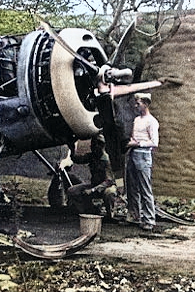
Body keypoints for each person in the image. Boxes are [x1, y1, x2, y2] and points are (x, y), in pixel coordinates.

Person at [125, 92, 158, 231]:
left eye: (138, 103)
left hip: (143, 156)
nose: (136, 105)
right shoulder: (137, 120)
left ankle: (149, 219)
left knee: (145, 188)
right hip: (132, 155)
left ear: (146, 104)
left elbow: (154, 142)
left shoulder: (152, 121)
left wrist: (137, 144)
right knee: (132, 188)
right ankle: (134, 216)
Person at [67, 134, 118, 219]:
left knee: (109, 193)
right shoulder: (92, 156)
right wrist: (72, 148)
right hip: (94, 184)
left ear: (102, 146)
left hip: (105, 187)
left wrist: (93, 190)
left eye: (97, 144)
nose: (94, 147)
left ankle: (110, 216)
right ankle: (88, 211)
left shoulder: (106, 160)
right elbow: (78, 159)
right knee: (72, 191)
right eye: (93, 145)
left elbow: (108, 181)